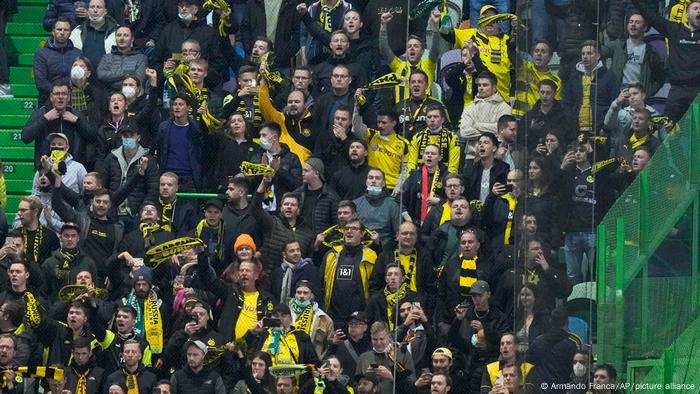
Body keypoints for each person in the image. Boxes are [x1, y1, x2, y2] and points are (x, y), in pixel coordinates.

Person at [632, 0, 700, 125]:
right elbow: (651, 16)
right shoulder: (674, 29)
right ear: (686, 14)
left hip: (698, 91)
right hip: (678, 90)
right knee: (668, 129)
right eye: (695, 8)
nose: (699, 11)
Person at [51, 186, 124, 281]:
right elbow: (58, 206)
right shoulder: (82, 220)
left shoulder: (117, 228)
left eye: (105, 202)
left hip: (104, 279)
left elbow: (116, 254)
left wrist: (112, 274)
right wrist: (56, 186)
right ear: (91, 202)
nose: (101, 205)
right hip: (81, 275)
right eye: (98, 201)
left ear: (110, 205)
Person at [22, 82, 93, 168]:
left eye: (64, 94)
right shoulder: (40, 114)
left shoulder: (77, 114)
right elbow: (25, 137)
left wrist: (78, 122)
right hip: (45, 167)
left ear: (69, 97)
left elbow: (92, 137)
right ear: (51, 97)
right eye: (57, 94)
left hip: (72, 168)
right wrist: (44, 119)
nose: (60, 97)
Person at [251, 176, 314, 268]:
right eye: (286, 204)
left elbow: (308, 261)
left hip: (296, 277)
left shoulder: (308, 233)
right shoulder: (272, 223)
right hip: (271, 275)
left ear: (298, 210)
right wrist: (264, 183)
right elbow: (255, 209)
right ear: (280, 208)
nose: (289, 207)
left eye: (293, 205)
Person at [321, 218, 377, 323]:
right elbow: (320, 284)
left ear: (362, 233)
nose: (349, 231)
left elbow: (375, 287)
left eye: (354, 228)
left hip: (360, 317)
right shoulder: (331, 255)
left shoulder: (371, 256)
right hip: (333, 317)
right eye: (346, 229)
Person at [378, 11, 440, 103]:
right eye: (409, 46)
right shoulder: (398, 66)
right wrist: (383, 25)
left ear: (422, 51)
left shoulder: (428, 65)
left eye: (416, 46)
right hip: (401, 114)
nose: (412, 48)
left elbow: (435, 50)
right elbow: (384, 49)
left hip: (425, 113)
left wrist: (435, 26)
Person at [562, 41, 620, 135]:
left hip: (601, 130)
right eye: (583, 54)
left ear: (598, 56)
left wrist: (605, 127)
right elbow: (567, 103)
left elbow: (615, 104)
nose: (585, 56)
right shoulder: (574, 77)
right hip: (577, 130)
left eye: (589, 53)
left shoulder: (609, 77)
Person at [153, 0, 224, 75]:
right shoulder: (168, 30)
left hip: (201, 82)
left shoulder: (208, 32)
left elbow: (218, 62)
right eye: (181, 5)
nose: (183, 8)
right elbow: (156, 60)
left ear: (195, 9)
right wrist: (165, 68)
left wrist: (201, 69)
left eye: (188, 5)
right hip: (172, 80)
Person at [259, 71, 317, 163]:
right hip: (280, 168)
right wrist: (263, 82)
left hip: (303, 172)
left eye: (297, 102)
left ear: (305, 105)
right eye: (290, 102)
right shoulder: (280, 119)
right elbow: (265, 105)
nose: (293, 104)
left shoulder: (314, 123)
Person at [601, 12, 664, 96]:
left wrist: (648, 91)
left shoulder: (651, 51)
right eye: (631, 22)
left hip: (638, 97)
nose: (633, 24)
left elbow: (660, 77)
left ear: (645, 27)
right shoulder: (618, 45)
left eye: (637, 22)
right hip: (618, 94)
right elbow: (599, 52)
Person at [459, 72, 513, 161]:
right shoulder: (469, 108)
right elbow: (464, 132)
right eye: (479, 85)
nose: (481, 88)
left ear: (494, 88)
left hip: (496, 157)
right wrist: (493, 132)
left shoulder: (505, 108)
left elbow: (503, 132)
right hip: (471, 156)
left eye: (485, 85)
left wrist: (476, 125)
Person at [156, 95, 205, 192]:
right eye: (175, 104)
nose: (177, 107)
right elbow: (160, 151)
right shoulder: (164, 128)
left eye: (181, 104)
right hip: (168, 179)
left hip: (190, 179)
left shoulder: (196, 128)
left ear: (188, 108)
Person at [245, 303, 319, 366]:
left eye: (283, 316)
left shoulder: (301, 337)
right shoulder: (262, 335)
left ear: (291, 319)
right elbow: (240, 349)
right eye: (276, 316)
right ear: (271, 318)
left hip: (293, 381)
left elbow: (314, 363)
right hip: (267, 381)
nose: (279, 319)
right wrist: (253, 332)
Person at [251, 122, 303, 210]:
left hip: (282, 208)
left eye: (264, 135)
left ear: (274, 137)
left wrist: (278, 170)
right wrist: (262, 170)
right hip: (259, 208)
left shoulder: (291, 158)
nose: (260, 139)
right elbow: (250, 184)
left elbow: (297, 185)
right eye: (260, 135)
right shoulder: (257, 157)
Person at [41, 222, 98, 299]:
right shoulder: (49, 263)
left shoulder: (88, 263)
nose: (70, 239)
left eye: (73, 236)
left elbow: (95, 290)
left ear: (78, 238)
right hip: (57, 308)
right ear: (60, 237)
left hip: (82, 308)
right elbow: (43, 293)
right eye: (66, 236)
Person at [527, 306, 580, 388]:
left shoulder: (538, 342)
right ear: (567, 322)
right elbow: (577, 371)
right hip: (562, 389)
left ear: (550, 321)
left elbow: (529, 362)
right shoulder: (572, 344)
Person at [355, 321, 415, 394]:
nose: (378, 343)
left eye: (382, 339)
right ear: (371, 338)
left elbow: (412, 384)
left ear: (389, 337)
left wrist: (392, 377)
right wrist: (365, 379)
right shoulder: (363, 357)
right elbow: (355, 386)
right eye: (375, 339)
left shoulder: (403, 354)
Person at [33, 18, 82, 104]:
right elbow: (40, 82)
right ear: (53, 31)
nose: (62, 33)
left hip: (73, 102)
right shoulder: (41, 53)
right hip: (47, 101)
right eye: (59, 29)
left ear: (70, 33)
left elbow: (81, 80)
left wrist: (66, 95)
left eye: (66, 30)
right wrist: (60, 94)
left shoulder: (78, 54)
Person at [513, 40, 562, 117]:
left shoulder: (555, 80)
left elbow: (554, 106)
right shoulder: (524, 66)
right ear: (532, 54)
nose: (539, 54)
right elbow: (512, 55)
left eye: (543, 51)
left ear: (550, 57)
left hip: (537, 118)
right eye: (536, 51)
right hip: (518, 116)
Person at [406, 105, 460, 174]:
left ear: (443, 120)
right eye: (429, 117)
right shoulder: (417, 137)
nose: (432, 120)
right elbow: (411, 163)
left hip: (443, 177)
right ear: (426, 119)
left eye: (436, 117)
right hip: (420, 176)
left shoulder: (452, 137)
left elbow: (453, 166)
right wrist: (411, 179)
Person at [287, 280, 333, 360]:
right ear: (294, 295)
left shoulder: (323, 318)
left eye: (305, 293)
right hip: (289, 360)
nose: (301, 296)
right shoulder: (286, 314)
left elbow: (328, 345)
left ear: (312, 295)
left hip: (313, 362)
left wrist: (321, 360)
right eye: (299, 292)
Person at [401, 144, 448, 224]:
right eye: (427, 153)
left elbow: (455, 200)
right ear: (423, 157)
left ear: (440, 158)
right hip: (414, 221)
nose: (429, 156)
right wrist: (406, 215)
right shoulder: (414, 175)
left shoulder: (446, 177)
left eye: (433, 154)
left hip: (438, 223)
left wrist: (440, 201)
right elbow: (400, 197)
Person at [394, 71, 446, 140]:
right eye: (413, 82)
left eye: (420, 82)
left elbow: (446, 131)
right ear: (409, 85)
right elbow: (392, 132)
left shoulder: (437, 105)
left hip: (428, 148)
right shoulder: (399, 106)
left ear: (426, 85)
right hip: (403, 148)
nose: (416, 84)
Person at [354, 169, 400, 246]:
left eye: (377, 178)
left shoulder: (392, 206)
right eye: (371, 178)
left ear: (383, 183)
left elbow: (398, 233)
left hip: (384, 249)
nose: (373, 181)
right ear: (366, 182)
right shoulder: (355, 204)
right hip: (359, 247)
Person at [365, 264, 416, 330]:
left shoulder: (413, 297)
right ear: (386, 279)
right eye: (389, 274)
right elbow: (367, 323)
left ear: (403, 278)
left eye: (396, 274)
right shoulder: (375, 299)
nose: (393, 277)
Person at [295, 157, 339, 235]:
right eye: (302, 170)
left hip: (323, 242)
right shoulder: (297, 194)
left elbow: (337, 225)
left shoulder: (331, 197)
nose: (302, 173)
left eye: (306, 171)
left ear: (316, 173)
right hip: (300, 239)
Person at [97, 25, 148, 91]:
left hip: (133, 96)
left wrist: (112, 81)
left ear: (132, 39)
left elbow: (138, 80)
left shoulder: (141, 58)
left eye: (126, 35)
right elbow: (101, 75)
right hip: (110, 96)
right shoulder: (106, 57)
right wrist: (125, 74)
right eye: (119, 35)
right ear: (115, 38)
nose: (122, 38)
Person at [463, 133, 510, 204]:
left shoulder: (503, 169)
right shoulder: (470, 169)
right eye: (479, 143)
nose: (481, 145)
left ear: (494, 148)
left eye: (486, 143)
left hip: (495, 209)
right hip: (475, 211)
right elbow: (466, 193)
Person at [68, 0, 117, 67]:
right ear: (88, 11)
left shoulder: (116, 32)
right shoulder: (77, 31)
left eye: (99, 7)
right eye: (92, 7)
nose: (95, 10)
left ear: (105, 11)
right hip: (83, 75)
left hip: (108, 75)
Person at [15, 195, 60, 266]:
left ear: (35, 212)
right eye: (19, 210)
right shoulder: (14, 235)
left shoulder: (50, 236)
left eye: (23, 210)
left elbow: (56, 264)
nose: (19, 213)